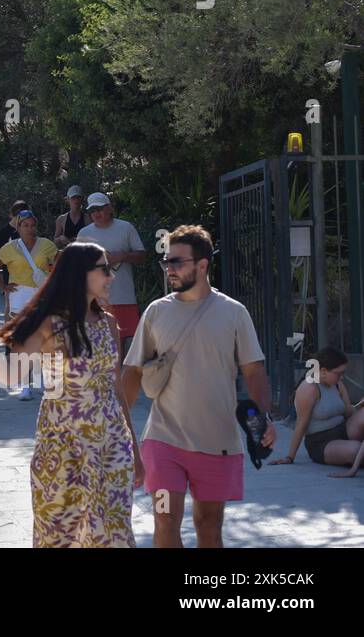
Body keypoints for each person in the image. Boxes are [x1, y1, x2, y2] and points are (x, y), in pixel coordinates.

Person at [0, 241, 139, 547]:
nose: (111, 276)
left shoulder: (109, 323)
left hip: (112, 445)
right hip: (62, 447)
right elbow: (9, 375)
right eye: (105, 269)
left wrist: (135, 446)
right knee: (60, 535)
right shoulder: (49, 324)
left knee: (114, 534)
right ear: (80, 274)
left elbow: (116, 386)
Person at [121, 225, 277, 548]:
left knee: (209, 527)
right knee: (164, 520)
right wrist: (120, 431)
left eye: (177, 262)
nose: (169, 269)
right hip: (163, 441)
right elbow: (132, 373)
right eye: (166, 262)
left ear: (202, 265)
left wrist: (265, 417)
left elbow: (254, 370)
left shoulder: (234, 313)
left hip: (217, 443)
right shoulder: (156, 312)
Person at [0, 210, 58, 399]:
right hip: (19, 295)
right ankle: (26, 385)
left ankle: (44, 381)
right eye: (25, 225)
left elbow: (60, 265)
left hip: (41, 294)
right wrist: (3, 286)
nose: (29, 228)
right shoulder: (10, 248)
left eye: (32, 224)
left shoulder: (47, 245)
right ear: (18, 227)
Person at [270, 346, 364, 475]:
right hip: (321, 442)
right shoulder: (309, 388)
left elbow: (349, 413)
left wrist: (359, 406)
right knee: (356, 451)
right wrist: (290, 457)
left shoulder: (337, 384)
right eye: (339, 373)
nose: (342, 377)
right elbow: (301, 425)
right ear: (324, 371)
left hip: (343, 428)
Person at [77, 192, 148, 361]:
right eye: (92, 210)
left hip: (123, 296)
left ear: (110, 208)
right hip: (95, 299)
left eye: (100, 209)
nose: (96, 213)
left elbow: (143, 256)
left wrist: (122, 256)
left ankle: (117, 383)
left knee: (120, 343)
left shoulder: (126, 227)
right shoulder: (83, 233)